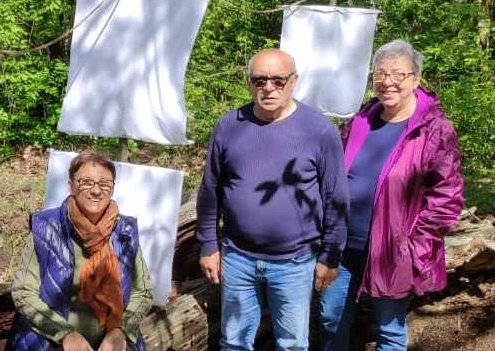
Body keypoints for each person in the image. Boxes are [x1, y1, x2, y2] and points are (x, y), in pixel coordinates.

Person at [196, 49, 349, 351]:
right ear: (248, 82)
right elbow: (210, 189)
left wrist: (331, 256)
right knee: (234, 342)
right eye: (260, 80)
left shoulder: (318, 130)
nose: (269, 88)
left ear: (294, 81)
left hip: (296, 261)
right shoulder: (229, 126)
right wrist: (208, 245)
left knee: (292, 344)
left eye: (278, 80)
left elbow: (337, 198)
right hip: (237, 257)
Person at [318, 39, 464, 351]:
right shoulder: (361, 121)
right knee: (331, 319)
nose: (388, 82)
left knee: (389, 329)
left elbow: (447, 196)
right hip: (343, 246)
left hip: (393, 251)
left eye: (398, 74)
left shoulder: (434, 130)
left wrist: (415, 245)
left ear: (416, 79)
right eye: (380, 74)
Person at [11, 151, 152, 351]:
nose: (96, 191)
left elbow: (143, 291)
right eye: (86, 182)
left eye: (104, 184)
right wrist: (64, 334)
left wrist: (120, 330)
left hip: (112, 339)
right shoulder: (46, 229)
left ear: (112, 189)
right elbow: (23, 292)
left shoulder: (125, 232)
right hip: (52, 339)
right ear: (71, 186)